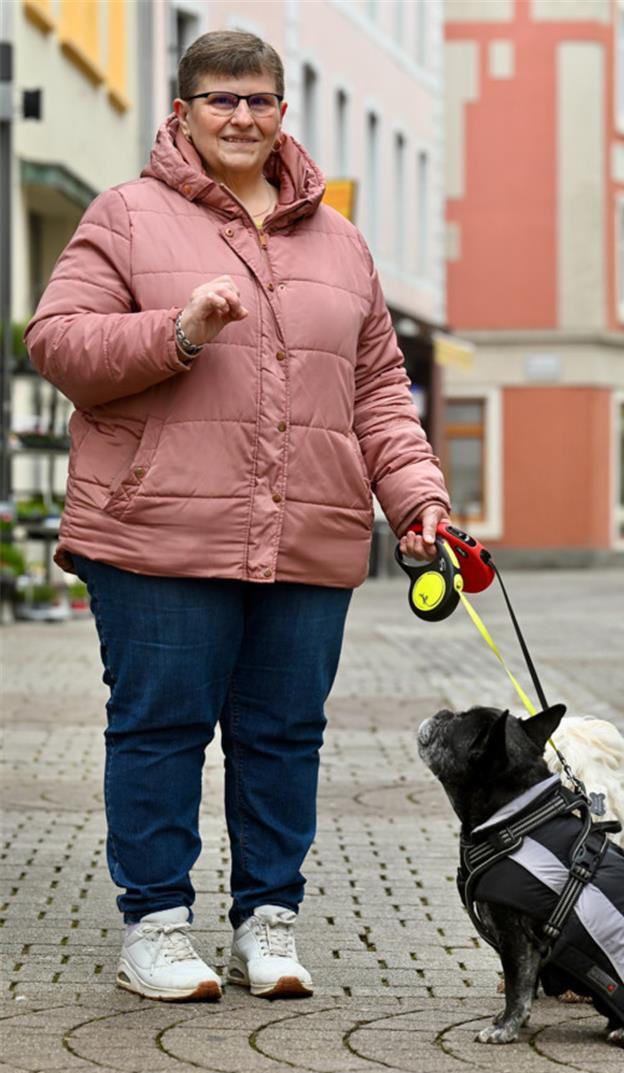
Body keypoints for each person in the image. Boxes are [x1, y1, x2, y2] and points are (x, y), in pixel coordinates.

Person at [25, 31, 450, 1004]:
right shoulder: (126, 216)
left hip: (308, 527)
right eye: (221, 99)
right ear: (182, 113)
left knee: (284, 734)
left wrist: (417, 499)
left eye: (259, 100)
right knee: (161, 727)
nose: (242, 117)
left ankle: (269, 920)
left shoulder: (340, 241)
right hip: (159, 529)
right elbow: (59, 343)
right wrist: (178, 332)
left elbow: (379, 391)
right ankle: (157, 926)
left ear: (282, 113)